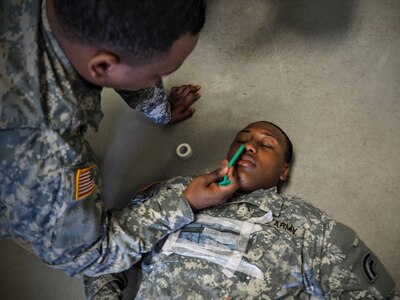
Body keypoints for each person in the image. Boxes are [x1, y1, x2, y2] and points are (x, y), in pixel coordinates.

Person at [0, 0, 239, 280]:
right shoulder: (49, 154)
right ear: (102, 66)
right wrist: (183, 203)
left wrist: (159, 109)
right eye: (157, 73)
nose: (162, 78)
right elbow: (89, 254)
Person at [85, 121, 397, 299]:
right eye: (242, 140)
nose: (249, 146)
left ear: (283, 171)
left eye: (266, 144)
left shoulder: (310, 225)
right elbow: (101, 246)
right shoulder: (176, 190)